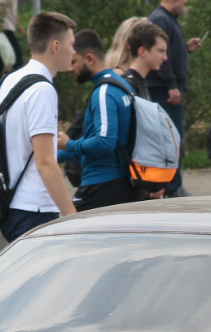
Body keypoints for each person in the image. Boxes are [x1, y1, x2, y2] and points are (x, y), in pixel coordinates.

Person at [0, 11, 77, 243]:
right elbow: (45, 162)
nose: (73, 51)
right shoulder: (42, 90)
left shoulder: (9, 80)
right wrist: (70, 215)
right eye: (71, 44)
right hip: (33, 208)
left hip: (9, 201)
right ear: (55, 46)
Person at [58, 30, 135, 212]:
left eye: (75, 61)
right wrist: (54, 156)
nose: (71, 68)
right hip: (118, 181)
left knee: (71, 233)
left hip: (101, 184)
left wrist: (69, 144)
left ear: (89, 59)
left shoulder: (103, 92)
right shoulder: (122, 84)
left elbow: (104, 143)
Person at [146, 0, 204, 197]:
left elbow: (169, 52)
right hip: (164, 90)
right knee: (171, 139)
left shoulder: (167, 19)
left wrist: (185, 48)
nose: (185, 3)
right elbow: (161, 56)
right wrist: (171, 85)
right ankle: (172, 187)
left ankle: (171, 184)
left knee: (173, 137)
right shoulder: (160, 19)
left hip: (168, 88)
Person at [120, 21, 169, 101]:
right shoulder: (128, 86)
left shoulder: (140, 83)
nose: (165, 58)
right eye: (160, 51)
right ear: (142, 52)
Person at [0, 0, 24, 80]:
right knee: (16, 50)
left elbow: (13, 10)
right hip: (4, 25)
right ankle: (18, 71)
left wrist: (18, 25)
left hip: (8, 24)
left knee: (1, 50)